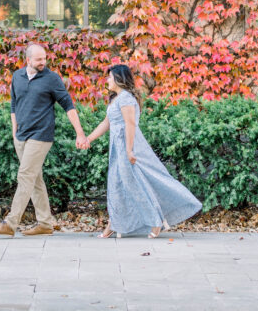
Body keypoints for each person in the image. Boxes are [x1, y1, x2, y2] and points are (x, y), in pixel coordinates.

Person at [84, 64, 202, 238]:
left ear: (118, 79)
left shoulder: (125, 98)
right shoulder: (116, 98)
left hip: (127, 146)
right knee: (117, 185)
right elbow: (106, 123)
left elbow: (130, 124)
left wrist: (129, 150)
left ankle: (156, 221)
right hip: (117, 148)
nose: (107, 80)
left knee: (134, 185)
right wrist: (88, 139)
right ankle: (114, 224)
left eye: (109, 77)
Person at [0, 43, 88, 237]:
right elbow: (14, 104)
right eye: (39, 59)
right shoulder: (17, 76)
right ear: (28, 60)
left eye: (44, 58)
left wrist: (80, 133)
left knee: (25, 175)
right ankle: (45, 223)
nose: (44, 62)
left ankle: (10, 223)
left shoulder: (51, 79)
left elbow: (68, 105)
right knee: (35, 179)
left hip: (41, 135)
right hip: (21, 136)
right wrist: (14, 131)